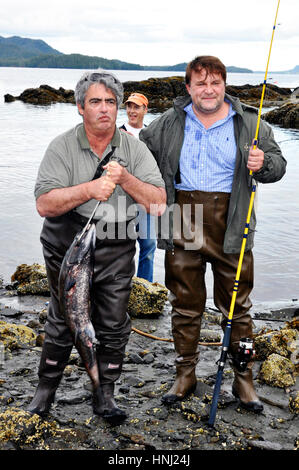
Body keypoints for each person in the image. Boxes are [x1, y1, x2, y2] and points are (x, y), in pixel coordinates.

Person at [140, 56, 287, 413]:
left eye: (215, 83)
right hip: (183, 220)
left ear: (225, 85)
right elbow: (137, 151)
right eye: (201, 83)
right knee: (185, 307)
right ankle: (185, 374)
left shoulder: (251, 122)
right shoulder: (168, 122)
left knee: (239, 310)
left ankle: (244, 380)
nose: (209, 90)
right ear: (188, 88)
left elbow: (278, 165)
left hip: (233, 224)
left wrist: (262, 164)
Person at [27, 71, 166, 424]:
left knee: (113, 321)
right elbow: (44, 204)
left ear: (118, 108)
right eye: (95, 102)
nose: (104, 109)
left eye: (110, 102)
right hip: (66, 243)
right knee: (63, 319)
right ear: (79, 108)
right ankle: (45, 390)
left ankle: (104, 392)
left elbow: (159, 203)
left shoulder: (135, 149)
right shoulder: (62, 146)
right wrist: (89, 190)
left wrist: (125, 179)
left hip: (116, 244)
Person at [120, 93, 156, 281]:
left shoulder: (152, 134)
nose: (132, 111)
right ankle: (119, 288)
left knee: (149, 245)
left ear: (145, 110)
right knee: (122, 247)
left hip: (146, 199)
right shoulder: (116, 133)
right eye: (129, 106)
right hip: (121, 200)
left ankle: (145, 287)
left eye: (137, 107)